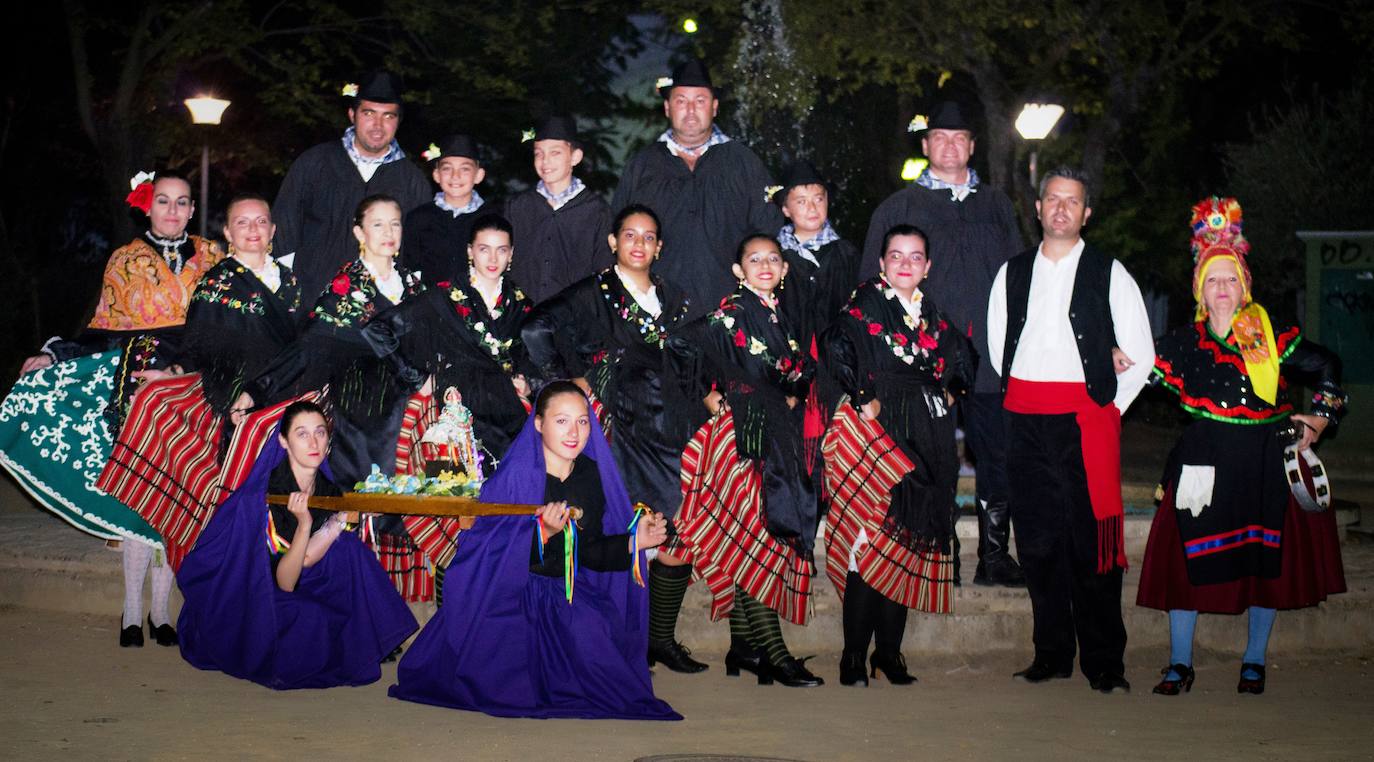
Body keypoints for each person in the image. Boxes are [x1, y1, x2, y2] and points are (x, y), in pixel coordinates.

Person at [0, 170, 222, 647]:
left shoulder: (213, 256)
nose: (174, 211)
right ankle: (129, 611)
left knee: (177, 495)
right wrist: (56, 354)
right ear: (147, 205)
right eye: (164, 201)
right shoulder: (124, 260)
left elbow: (229, 324)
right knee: (141, 494)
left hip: (195, 382)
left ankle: (162, 612)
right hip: (139, 384)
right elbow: (102, 330)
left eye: (183, 202)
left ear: (191, 207)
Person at [1136, 197, 1347, 696]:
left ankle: (1254, 661)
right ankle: (1179, 664)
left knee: (1263, 564)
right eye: (1213, 280)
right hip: (1202, 463)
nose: (1223, 288)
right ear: (1199, 291)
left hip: (1264, 464)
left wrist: (1318, 418)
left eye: (1231, 278)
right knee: (1188, 562)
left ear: (1245, 285)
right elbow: (1131, 366)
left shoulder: (1270, 339)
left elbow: (1328, 366)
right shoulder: (1182, 343)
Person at [389, 381, 680, 720]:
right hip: (513, 595)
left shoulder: (591, 476)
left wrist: (635, 542)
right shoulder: (515, 478)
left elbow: (592, 551)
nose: (574, 432)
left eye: (583, 421)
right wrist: (540, 534)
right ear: (539, 424)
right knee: (506, 682)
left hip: (568, 594)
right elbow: (486, 553)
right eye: (562, 421)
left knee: (607, 673)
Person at [986, 167, 1155, 693]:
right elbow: (999, 352)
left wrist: (1107, 407)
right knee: (1037, 543)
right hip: (1025, 422)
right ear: (1037, 209)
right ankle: (1052, 654)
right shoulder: (1011, 272)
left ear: (1086, 214)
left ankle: (1104, 664)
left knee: (1093, 546)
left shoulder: (1110, 272)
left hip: (1085, 421)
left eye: (1072, 201)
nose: (1061, 208)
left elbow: (1142, 355)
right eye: (1052, 199)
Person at [522, 204, 710, 673]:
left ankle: (660, 642)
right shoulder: (593, 293)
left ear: (659, 247)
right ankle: (619, 641)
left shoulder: (676, 297)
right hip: (623, 430)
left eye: (649, 237)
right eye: (630, 235)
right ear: (613, 242)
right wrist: (569, 382)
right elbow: (535, 328)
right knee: (627, 531)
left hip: (676, 425)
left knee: (674, 531)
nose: (639, 245)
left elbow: (695, 357)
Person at [862, 100, 1025, 587]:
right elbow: (871, 286)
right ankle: (933, 557)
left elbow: (1019, 278)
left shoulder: (996, 205)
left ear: (972, 147)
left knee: (996, 456)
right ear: (926, 144)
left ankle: (994, 557)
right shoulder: (900, 207)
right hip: (921, 361)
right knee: (923, 456)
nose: (949, 145)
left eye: (960, 138)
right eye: (940, 137)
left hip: (990, 357)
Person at [240, 194, 430, 600]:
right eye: (377, 225)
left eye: (395, 224)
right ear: (359, 233)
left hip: (412, 397)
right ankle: (365, 600)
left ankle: (399, 598)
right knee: (367, 496)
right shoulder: (345, 287)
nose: (388, 233)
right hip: (363, 405)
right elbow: (309, 347)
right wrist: (258, 388)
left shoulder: (414, 283)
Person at [98, 194, 303, 569]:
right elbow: (195, 347)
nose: (253, 230)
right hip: (231, 395)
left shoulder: (292, 283)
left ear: (273, 230)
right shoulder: (216, 282)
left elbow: (301, 347)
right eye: (242, 222)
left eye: (261, 222)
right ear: (228, 233)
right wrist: (173, 372)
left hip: (283, 391)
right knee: (155, 401)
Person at [176, 400, 418, 689]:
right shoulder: (268, 498)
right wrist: (305, 524)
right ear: (284, 441)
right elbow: (286, 582)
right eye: (302, 434)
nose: (314, 441)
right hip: (256, 592)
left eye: (320, 432)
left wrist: (342, 519)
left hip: (303, 577)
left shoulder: (327, 490)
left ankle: (363, 637)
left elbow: (317, 557)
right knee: (308, 617)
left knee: (350, 550)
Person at [822, 224, 972, 686]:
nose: (905, 264)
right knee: (868, 546)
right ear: (882, 263)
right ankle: (852, 657)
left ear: (927, 267)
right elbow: (835, 345)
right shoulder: (863, 305)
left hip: (926, 439)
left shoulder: (935, 316)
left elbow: (965, 357)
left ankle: (889, 655)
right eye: (896, 255)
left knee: (905, 546)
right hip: (877, 433)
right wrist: (862, 391)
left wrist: (952, 391)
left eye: (915, 257)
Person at [675, 234, 822, 687]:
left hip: (776, 433)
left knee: (754, 537)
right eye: (753, 260)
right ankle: (774, 654)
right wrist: (711, 397)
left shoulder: (781, 313)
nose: (763, 266)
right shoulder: (730, 313)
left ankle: (744, 647)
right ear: (738, 270)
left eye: (772, 259)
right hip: (743, 435)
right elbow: (681, 346)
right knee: (756, 537)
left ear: (784, 269)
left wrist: (793, 395)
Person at [369, 214, 537, 576]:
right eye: (483, 249)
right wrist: (415, 378)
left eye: (501, 250)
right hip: (455, 412)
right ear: (469, 252)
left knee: (509, 509)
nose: (492, 258)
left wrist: (528, 381)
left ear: (512, 255)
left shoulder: (522, 305)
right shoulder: (443, 297)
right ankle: (453, 620)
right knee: (456, 513)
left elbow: (538, 359)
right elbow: (379, 330)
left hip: (507, 410)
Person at [611, 58, 783, 317]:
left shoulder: (743, 162)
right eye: (681, 101)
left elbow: (768, 231)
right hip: (656, 310)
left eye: (700, 101)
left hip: (730, 312)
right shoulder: (643, 164)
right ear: (667, 107)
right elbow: (618, 235)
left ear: (714, 107)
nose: (690, 110)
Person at [273, 71, 430, 302]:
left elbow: (417, 253)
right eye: (369, 113)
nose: (378, 125)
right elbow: (283, 232)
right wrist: (289, 295)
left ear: (398, 121)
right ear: (352, 115)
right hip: (312, 303)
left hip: (381, 312)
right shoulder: (315, 164)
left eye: (388, 116)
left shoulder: (412, 181)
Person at [774, 160, 862, 476]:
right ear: (785, 208)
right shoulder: (773, 257)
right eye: (801, 200)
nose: (812, 207)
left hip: (834, 368)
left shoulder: (847, 255)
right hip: (791, 367)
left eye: (819, 198)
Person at [501, 115, 613, 304]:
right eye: (539, 153)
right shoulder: (518, 206)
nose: (545, 161)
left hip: (573, 319)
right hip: (522, 316)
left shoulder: (596, 211)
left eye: (555, 153)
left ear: (575, 157)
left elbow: (604, 270)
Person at [401, 134, 489, 287]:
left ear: (479, 175)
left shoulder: (492, 218)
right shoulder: (418, 218)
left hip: (480, 306)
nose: (455, 176)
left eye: (465, 169)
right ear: (436, 175)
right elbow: (409, 269)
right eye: (447, 168)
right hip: (429, 306)